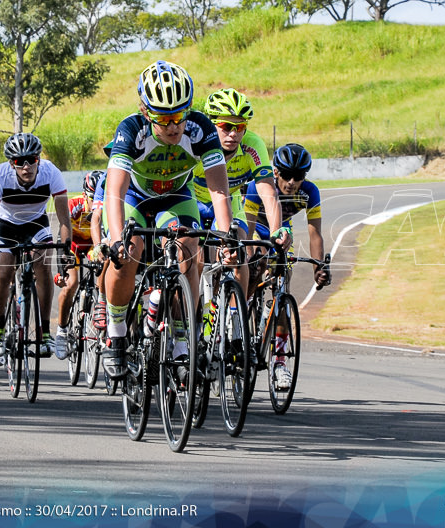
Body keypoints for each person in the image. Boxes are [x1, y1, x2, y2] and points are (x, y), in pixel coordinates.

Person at [101, 60, 234, 379]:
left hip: (176, 196)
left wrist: (226, 236)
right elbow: (115, 189)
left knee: (190, 247)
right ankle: (117, 334)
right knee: (128, 252)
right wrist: (116, 236)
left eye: (179, 115)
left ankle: (182, 340)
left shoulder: (199, 128)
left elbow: (218, 188)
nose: (174, 126)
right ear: (147, 113)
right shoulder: (132, 130)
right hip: (135, 197)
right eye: (164, 118)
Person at [243, 143, 330, 389]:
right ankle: (241, 313)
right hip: (256, 230)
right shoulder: (258, 186)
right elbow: (247, 230)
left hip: (282, 232)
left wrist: (318, 268)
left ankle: (279, 362)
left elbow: (315, 235)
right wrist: (250, 259)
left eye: (299, 176)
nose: (292, 182)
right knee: (255, 264)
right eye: (287, 175)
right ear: (276, 172)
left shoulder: (310, 193)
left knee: (283, 285)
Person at [191, 87, 291, 297]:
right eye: (226, 126)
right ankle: (192, 319)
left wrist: (276, 231)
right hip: (193, 200)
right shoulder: (197, 144)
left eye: (240, 126)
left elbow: (268, 192)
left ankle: (238, 322)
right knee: (195, 260)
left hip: (230, 201)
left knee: (240, 254)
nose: (233, 134)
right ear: (211, 124)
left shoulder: (253, 145)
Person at [0, 132, 72, 361]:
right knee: (3, 270)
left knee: (43, 265)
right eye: (18, 161)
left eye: (31, 160)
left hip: (36, 222)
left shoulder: (51, 172)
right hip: (6, 224)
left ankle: (44, 334)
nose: (25, 166)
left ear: (38, 159)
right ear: (11, 163)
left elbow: (64, 220)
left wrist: (65, 251)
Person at [53, 170, 104, 360]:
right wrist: (61, 271)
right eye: (93, 198)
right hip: (73, 244)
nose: (97, 203)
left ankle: (100, 305)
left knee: (103, 268)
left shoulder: (104, 208)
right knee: (71, 284)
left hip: (93, 244)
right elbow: (62, 237)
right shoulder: (74, 205)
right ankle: (62, 331)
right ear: (85, 195)